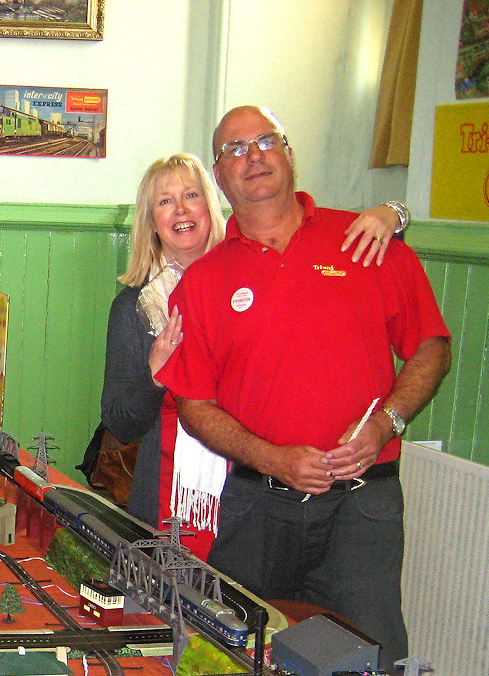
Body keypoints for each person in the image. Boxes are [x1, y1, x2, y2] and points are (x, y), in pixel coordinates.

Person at [159, 105, 451, 670]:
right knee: (234, 658)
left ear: (289, 153)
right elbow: (194, 405)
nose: (254, 156)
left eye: (266, 140)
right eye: (235, 149)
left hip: (361, 507)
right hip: (257, 509)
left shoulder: (365, 242)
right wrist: (273, 458)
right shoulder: (204, 282)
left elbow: (431, 347)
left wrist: (386, 423)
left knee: (372, 670)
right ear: (219, 176)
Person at [100, 153, 405, 560]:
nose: (181, 210)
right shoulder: (134, 307)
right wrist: (154, 378)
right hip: (166, 501)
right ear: (151, 221)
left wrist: (394, 213)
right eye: (165, 201)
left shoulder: (249, 275)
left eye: (191, 195)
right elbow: (120, 421)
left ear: (211, 206)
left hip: (256, 492)